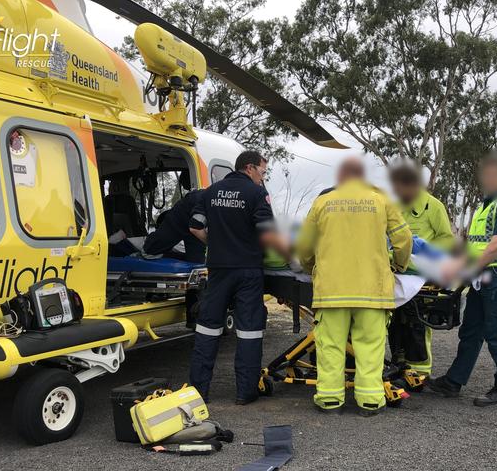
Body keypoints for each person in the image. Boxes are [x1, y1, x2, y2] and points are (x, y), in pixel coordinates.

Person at [297, 156, 413, 416]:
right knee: (370, 346)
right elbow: (404, 238)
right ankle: (370, 400)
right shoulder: (382, 201)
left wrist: (311, 267)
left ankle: (329, 400)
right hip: (372, 290)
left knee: (330, 347)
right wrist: (400, 265)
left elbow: (304, 246)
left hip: (332, 291)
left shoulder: (322, 203)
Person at [188, 151, 290, 405]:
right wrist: (290, 256)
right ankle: (245, 392)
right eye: (262, 173)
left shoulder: (210, 192)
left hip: (219, 269)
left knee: (208, 328)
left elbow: (195, 227)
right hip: (247, 270)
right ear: (249, 168)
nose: (262, 178)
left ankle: (199, 391)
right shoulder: (256, 194)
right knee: (249, 331)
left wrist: (217, 243)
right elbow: (267, 233)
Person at [428, 152, 497, 406]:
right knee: (471, 331)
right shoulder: (485, 207)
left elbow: (495, 247)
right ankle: (453, 382)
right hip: (483, 277)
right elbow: (477, 248)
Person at [388, 160, 454, 376]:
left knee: (416, 323)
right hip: (397, 272)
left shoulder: (433, 206)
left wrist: (425, 254)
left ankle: (419, 371)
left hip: (421, 276)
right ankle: (398, 363)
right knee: (394, 320)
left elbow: (446, 239)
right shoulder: (394, 206)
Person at [143, 189, 206, 263]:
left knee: (197, 264)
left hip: (193, 221)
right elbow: (195, 228)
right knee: (149, 252)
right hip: (184, 218)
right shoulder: (205, 198)